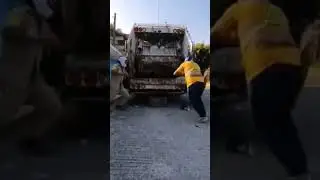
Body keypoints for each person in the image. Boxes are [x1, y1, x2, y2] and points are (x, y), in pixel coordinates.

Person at [212, 0, 310, 179]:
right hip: (292, 66)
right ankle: (300, 169)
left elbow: (216, 33)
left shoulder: (240, 7)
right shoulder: (276, 10)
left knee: (266, 122)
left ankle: (298, 172)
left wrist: (234, 36)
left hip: (264, 66)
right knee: (281, 119)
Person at [0, 0, 62, 155]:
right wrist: (33, 35)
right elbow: (8, 30)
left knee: (52, 107)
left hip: (33, 78)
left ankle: (29, 138)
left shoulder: (40, 20)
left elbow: (53, 40)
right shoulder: (19, 12)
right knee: (3, 114)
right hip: (13, 75)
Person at [173, 56, 208, 123]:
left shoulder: (185, 63)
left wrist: (182, 73)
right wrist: (186, 73)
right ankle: (202, 114)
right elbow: (192, 72)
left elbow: (175, 73)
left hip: (193, 83)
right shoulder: (196, 65)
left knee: (195, 101)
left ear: (186, 60)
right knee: (197, 99)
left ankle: (203, 116)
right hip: (201, 83)